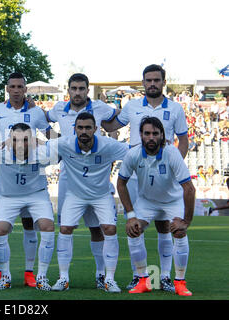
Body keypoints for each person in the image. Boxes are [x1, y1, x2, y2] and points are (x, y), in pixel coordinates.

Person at [102, 64, 189, 291]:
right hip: (135, 172)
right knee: (133, 225)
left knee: (164, 226)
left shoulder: (176, 108)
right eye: (148, 80)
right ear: (143, 83)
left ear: (163, 82)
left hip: (162, 173)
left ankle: (166, 276)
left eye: (156, 80)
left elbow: (184, 140)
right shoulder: (131, 106)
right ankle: (137, 276)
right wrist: (95, 110)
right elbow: (111, 124)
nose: (152, 84)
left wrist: (173, 166)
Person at [45, 73, 120, 289]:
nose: (77, 92)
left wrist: (108, 145)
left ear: (88, 90)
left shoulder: (101, 108)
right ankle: (63, 277)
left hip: (95, 176)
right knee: (65, 227)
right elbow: (43, 120)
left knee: (98, 229)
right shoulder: (59, 108)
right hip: (69, 177)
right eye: (73, 88)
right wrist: (55, 140)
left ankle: (101, 275)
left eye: (81, 88)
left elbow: (118, 120)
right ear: (68, 90)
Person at [0, 72, 52, 288]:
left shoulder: (37, 112)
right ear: (7, 88)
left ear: (25, 89)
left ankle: (30, 272)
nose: (15, 90)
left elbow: (52, 137)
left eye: (19, 86)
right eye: (12, 86)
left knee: (29, 223)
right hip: (6, 175)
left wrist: (40, 143)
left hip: (32, 174)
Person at [117, 117, 195, 296]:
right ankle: (143, 280)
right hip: (147, 201)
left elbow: (189, 188)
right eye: (147, 133)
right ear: (141, 135)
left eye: (155, 133)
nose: (151, 137)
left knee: (179, 232)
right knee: (133, 230)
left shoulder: (172, 153)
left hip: (172, 201)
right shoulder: (133, 154)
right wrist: (131, 216)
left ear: (162, 135)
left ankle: (180, 282)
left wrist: (186, 221)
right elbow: (120, 184)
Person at [0, 123, 55, 291]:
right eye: (15, 140)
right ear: (9, 140)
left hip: (36, 194)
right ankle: (5, 276)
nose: (20, 144)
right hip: (8, 196)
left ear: (31, 140)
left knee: (47, 226)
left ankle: (41, 277)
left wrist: (44, 143)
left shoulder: (43, 152)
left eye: (25, 140)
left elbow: (63, 148)